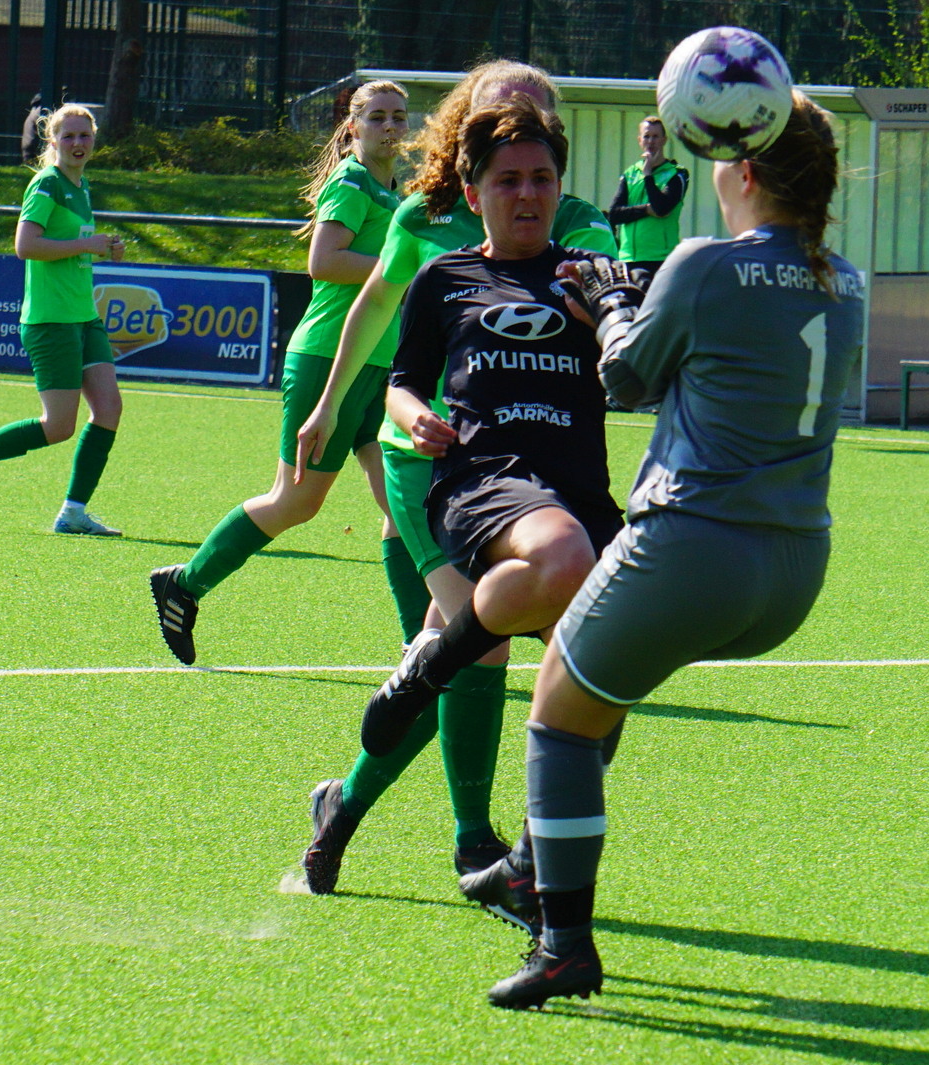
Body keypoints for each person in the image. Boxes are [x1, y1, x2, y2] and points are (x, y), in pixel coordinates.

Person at [461, 91, 865, 1010]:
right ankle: (530, 860)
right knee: (584, 674)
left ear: (745, 169)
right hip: (795, 564)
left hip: (693, 546)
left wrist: (611, 306)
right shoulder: (846, 280)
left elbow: (630, 377)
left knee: (559, 719)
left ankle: (562, 941)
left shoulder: (702, 261)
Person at [294, 61, 619, 898]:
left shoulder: (587, 236)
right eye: (500, 131)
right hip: (442, 464)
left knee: (585, 664)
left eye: (538, 136)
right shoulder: (426, 218)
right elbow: (376, 311)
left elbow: (630, 347)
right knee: (483, 639)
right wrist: (343, 405)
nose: (525, 180)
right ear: (470, 158)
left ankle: (348, 805)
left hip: (561, 475)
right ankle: (478, 845)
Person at [149, 82, 415, 664]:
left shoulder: (396, 191)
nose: (390, 127)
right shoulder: (352, 182)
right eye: (377, 117)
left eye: (399, 117)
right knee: (294, 502)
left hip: (378, 364)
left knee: (405, 505)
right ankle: (184, 584)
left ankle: (419, 646)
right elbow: (324, 261)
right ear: (352, 127)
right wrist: (405, 267)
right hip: (326, 359)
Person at [0, 103, 127, 535]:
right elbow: (26, 245)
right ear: (53, 141)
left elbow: (70, 245)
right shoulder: (46, 183)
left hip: (83, 317)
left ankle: (73, 513)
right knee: (57, 426)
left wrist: (103, 248)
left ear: (94, 140)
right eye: (68, 136)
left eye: (84, 135)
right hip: (51, 321)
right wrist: (86, 245)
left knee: (109, 408)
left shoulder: (81, 186)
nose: (77, 143)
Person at [606, 116, 689, 272]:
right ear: (640, 140)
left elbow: (661, 208)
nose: (651, 141)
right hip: (628, 257)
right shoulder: (630, 174)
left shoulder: (676, 174)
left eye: (655, 136)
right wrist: (645, 209)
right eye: (646, 136)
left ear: (664, 140)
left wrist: (648, 175)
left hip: (661, 259)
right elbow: (614, 214)